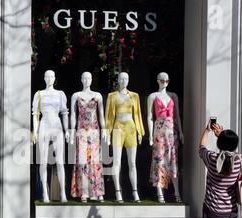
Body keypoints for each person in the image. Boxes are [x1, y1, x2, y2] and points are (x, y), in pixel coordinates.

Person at [105, 72, 144, 203]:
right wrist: (107, 132)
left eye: (126, 78)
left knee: (132, 162)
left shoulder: (134, 96)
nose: (124, 80)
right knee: (117, 161)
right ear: (118, 80)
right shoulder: (112, 96)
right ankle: (118, 191)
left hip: (131, 128)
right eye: (121, 78)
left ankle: (135, 192)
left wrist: (140, 131)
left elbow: (137, 114)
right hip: (117, 128)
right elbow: (109, 116)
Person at [32, 70, 69, 203]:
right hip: (44, 125)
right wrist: (35, 132)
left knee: (60, 161)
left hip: (57, 125)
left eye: (52, 76)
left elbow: (64, 112)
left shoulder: (60, 94)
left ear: (55, 78)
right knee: (43, 161)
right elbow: (35, 114)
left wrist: (67, 130)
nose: (49, 78)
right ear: (44, 78)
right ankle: (45, 193)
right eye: (47, 76)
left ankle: (63, 193)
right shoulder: (39, 94)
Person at [70, 72, 106, 203]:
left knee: (95, 162)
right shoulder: (76, 96)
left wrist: (105, 130)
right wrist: (71, 130)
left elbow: (101, 114)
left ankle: (97, 192)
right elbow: (73, 115)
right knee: (82, 161)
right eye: (84, 77)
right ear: (81, 79)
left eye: (89, 78)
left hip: (95, 131)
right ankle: (84, 192)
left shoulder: (97, 96)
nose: (86, 80)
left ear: (92, 79)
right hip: (81, 131)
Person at [147, 72, 184, 203]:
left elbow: (177, 115)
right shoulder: (153, 96)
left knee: (173, 161)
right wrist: (151, 135)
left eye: (167, 80)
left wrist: (181, 131)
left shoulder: (173, 96)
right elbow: (150, 117)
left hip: (171, 131)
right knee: (159, 161)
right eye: (162, 80)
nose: (165, 83)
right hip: (159, 131)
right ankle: (160, 192)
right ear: (158, 81)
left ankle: (177, 192)